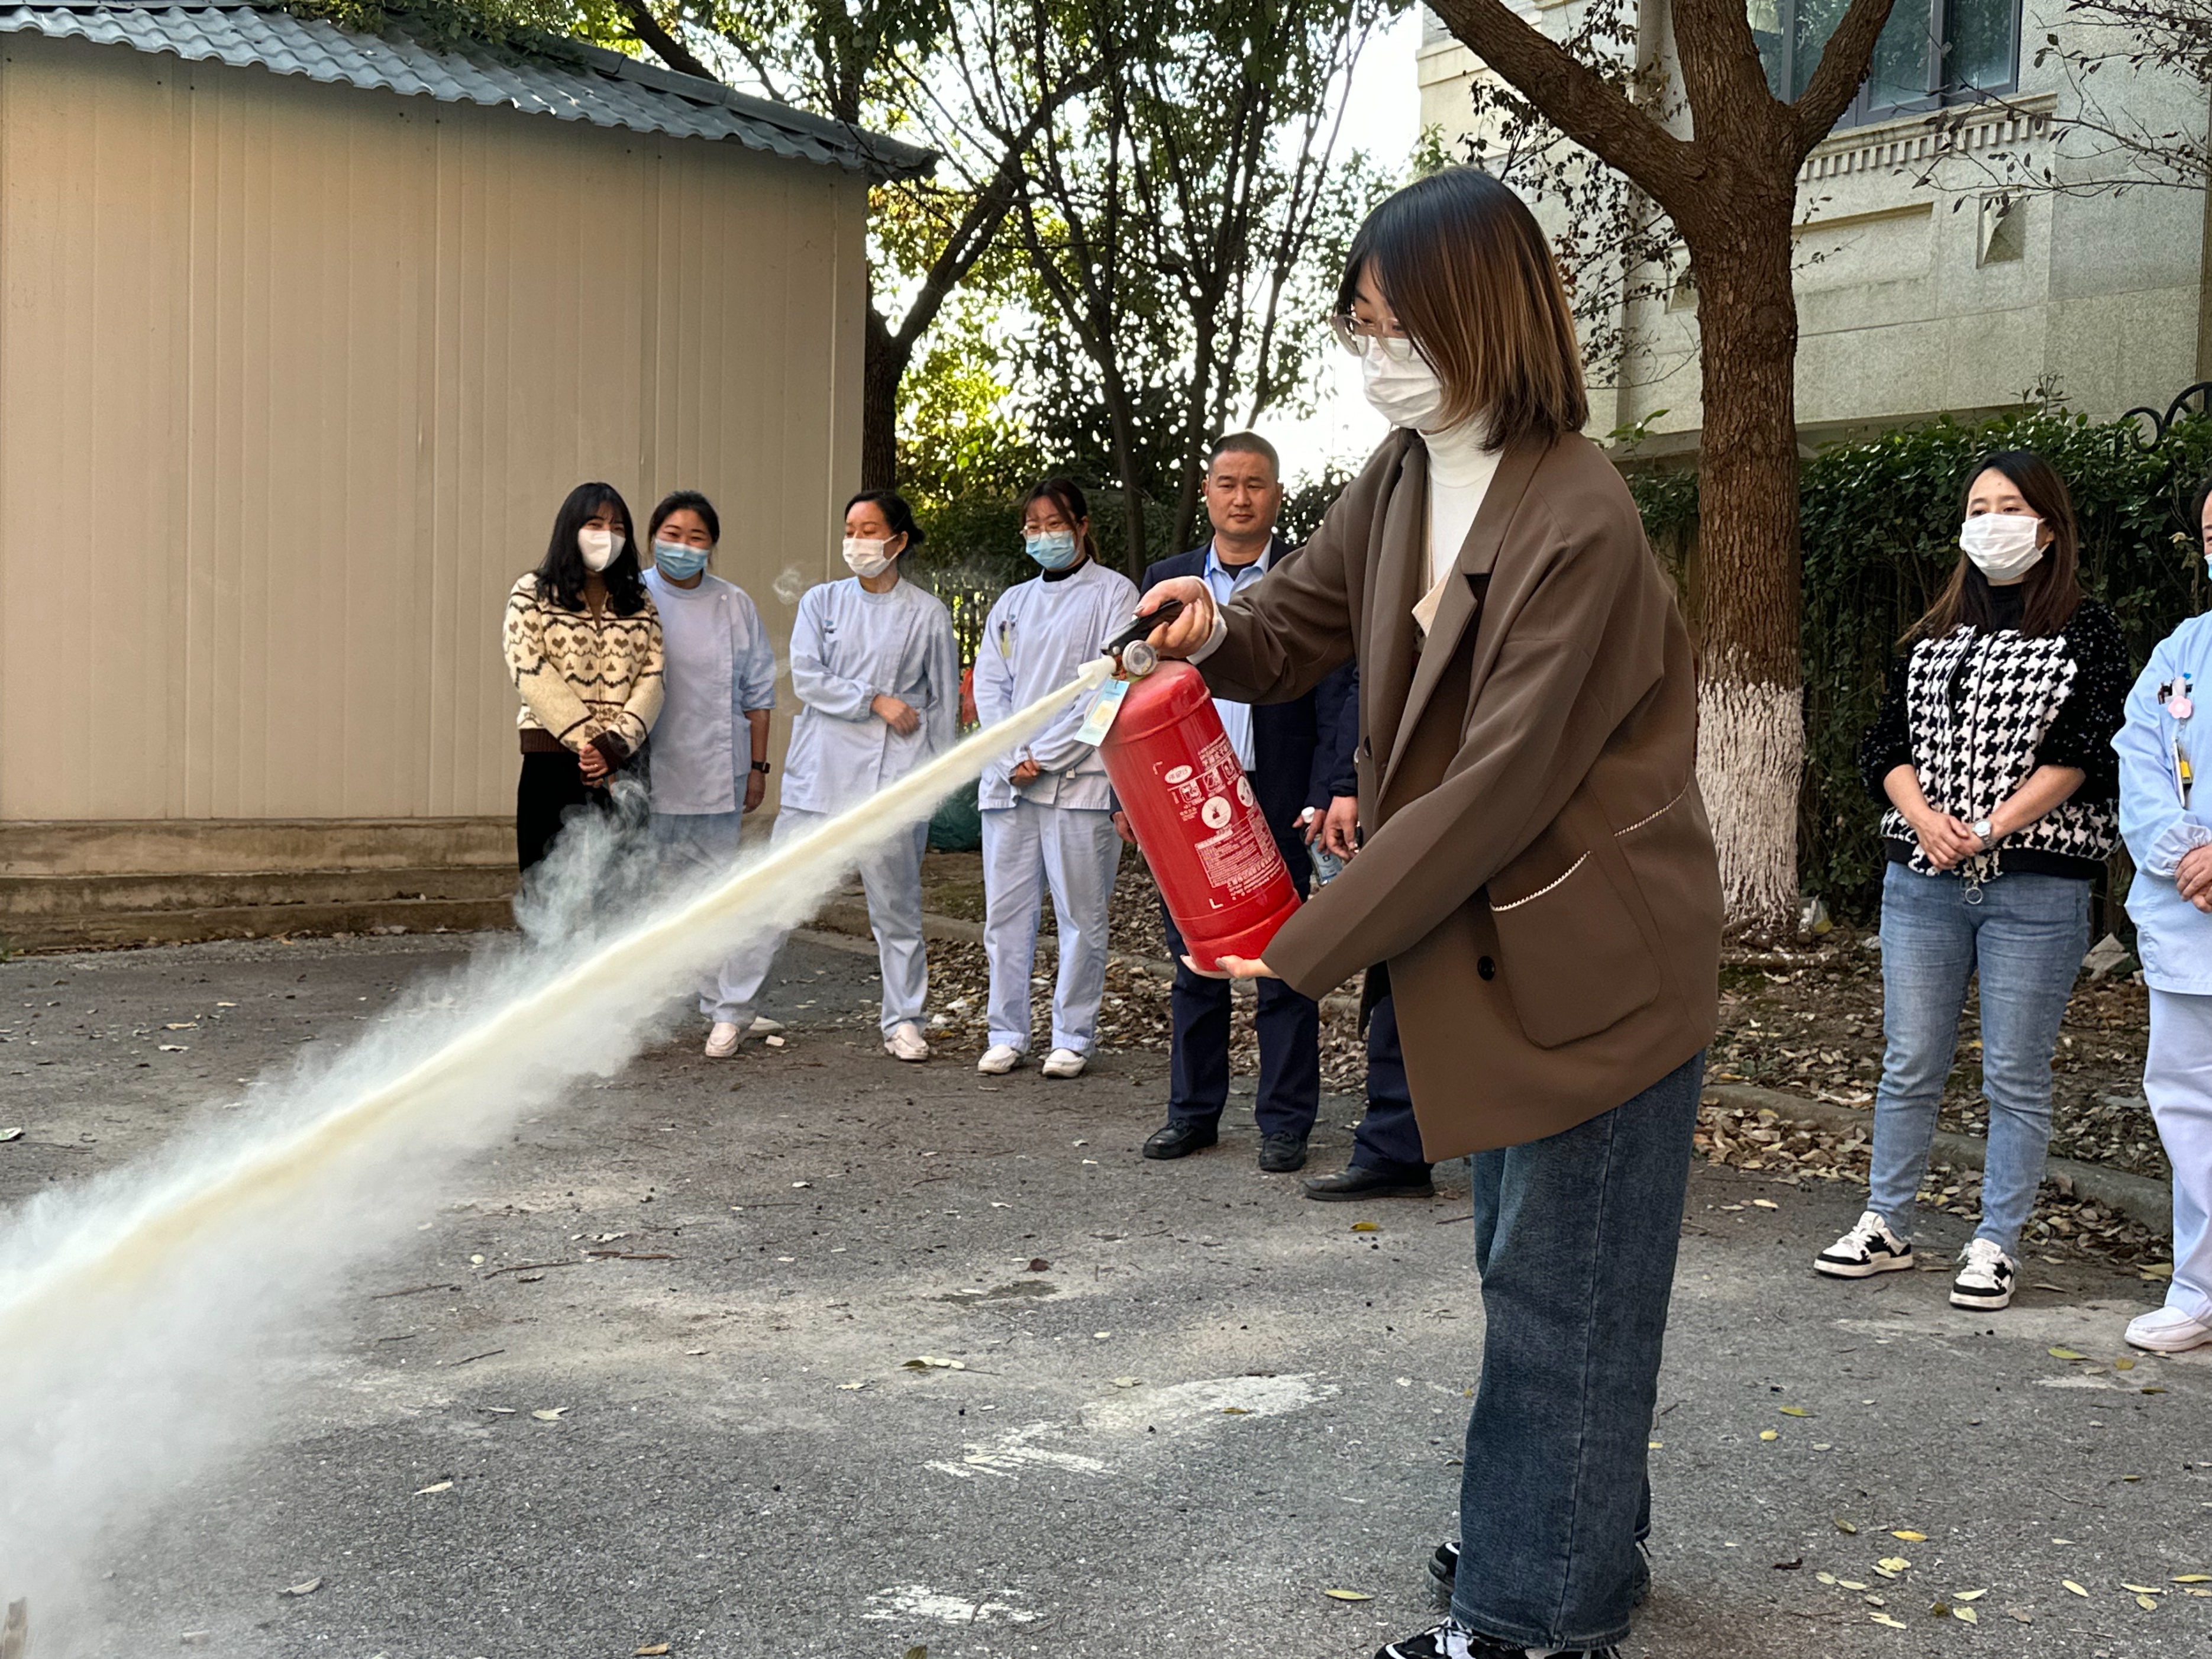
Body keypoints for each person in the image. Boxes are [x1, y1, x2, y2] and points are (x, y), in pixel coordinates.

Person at [1135, 166, 1722, 1659]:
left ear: (1484, 314)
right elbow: (1304, 622)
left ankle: (1530, 1611)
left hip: (1593, 958)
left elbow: (1503, 779)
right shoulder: (1403, 472)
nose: (1377, 350)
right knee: (1536, 1271)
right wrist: (1218, 632)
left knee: (1561, 1292)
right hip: (1497, 952)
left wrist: (1305, 942)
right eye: (1359, 323)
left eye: (1400, 322)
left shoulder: (1576, 509)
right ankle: (1572, 1536)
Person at [1816, 451, 2127, 1312]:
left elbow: (2082, 751)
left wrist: (1988, 827)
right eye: (1978, 505)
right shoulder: (1929, 634)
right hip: (1921, 876)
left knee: (2015, 1073)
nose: (1991, 520)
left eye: (2010, 505)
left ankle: (1995, 1239)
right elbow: (1883, 746)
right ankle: (1884, 1221)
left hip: (2034, 881)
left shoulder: (2085, 630)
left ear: (2047, 526)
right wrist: (1924, 821)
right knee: (1909, 1059)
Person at [1134, 432, 1353, 1174]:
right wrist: (1129, 795)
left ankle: (1285, 1122)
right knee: (1193, 958)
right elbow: (1125, 691)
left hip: (1277, 792)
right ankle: (1191, 1114)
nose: (1240, 497)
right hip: (1187, 798)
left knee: (1284, 959)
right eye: (1226, 482)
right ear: (1206, 490)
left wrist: (1330, 788)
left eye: (1255, 484)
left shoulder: (1302, 580)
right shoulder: (1166, 582)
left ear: (1275, 496)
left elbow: (1336, 691)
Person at [702, 490, 959, 1061]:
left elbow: (941, 704)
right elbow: (810, 679)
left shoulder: (928, 614)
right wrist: (875, 700)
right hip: (820, 776)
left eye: (870, 530)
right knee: (775, 894)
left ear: (899, 540)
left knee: (895, 908)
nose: (858, 541)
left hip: (893, 780)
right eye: (851, 528)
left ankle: (904, 1021)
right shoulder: (821, 603)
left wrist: (934, 782)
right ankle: (732, 1012)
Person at [973, 478, 1138, 1079]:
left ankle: (1071, 1033)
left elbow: (1110, 687)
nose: (1044, 534)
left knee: (1081, 914)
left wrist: (1045, 754)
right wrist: (1009, 753)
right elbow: (990, 685)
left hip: (1080, 780)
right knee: (1006, 914)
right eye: (1033, 525)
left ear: (1083, 524)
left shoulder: (1117, 595)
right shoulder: (1010, 603)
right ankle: (1007, 1030)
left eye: (1055, 522)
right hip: (1009, 782)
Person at [2111, 468, 2212, 1354]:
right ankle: (2198, 1287)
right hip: (2187, 920)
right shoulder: (2181, 649)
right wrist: (2187, 850)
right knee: (2186, 1104)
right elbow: (2137, 760)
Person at [640, 490, 783, 1058]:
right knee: (651, 897)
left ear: (712, 547)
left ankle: (726, 1008)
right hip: (647, 771)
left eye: (697, 538)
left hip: (717, 768)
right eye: (672, 535)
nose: (683, 547)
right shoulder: (635, 595)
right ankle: (641, 1011)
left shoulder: (733, 604)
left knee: (716, 895)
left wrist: (757, 768)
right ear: (653, 537)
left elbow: (758, 693)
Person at [1299, 663, 1434, 1202]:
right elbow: (1367, 681)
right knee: (1397, 966)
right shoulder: (1393, 583)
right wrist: (1343, 786)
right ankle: (1394, 1147)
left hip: (1485, 775)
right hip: (1397, 783)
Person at [503, 481, 663, 873]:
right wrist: (591, 744)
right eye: (595, 524)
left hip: (623, 762)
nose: (606, 536)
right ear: (570, 528)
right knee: (547, 883)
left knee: (621, 889)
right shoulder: (532, 592)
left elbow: (654, 677)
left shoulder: (639, 602)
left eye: (618, 528)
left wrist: (615, 745)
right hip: (552, 760)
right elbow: (529, 670)